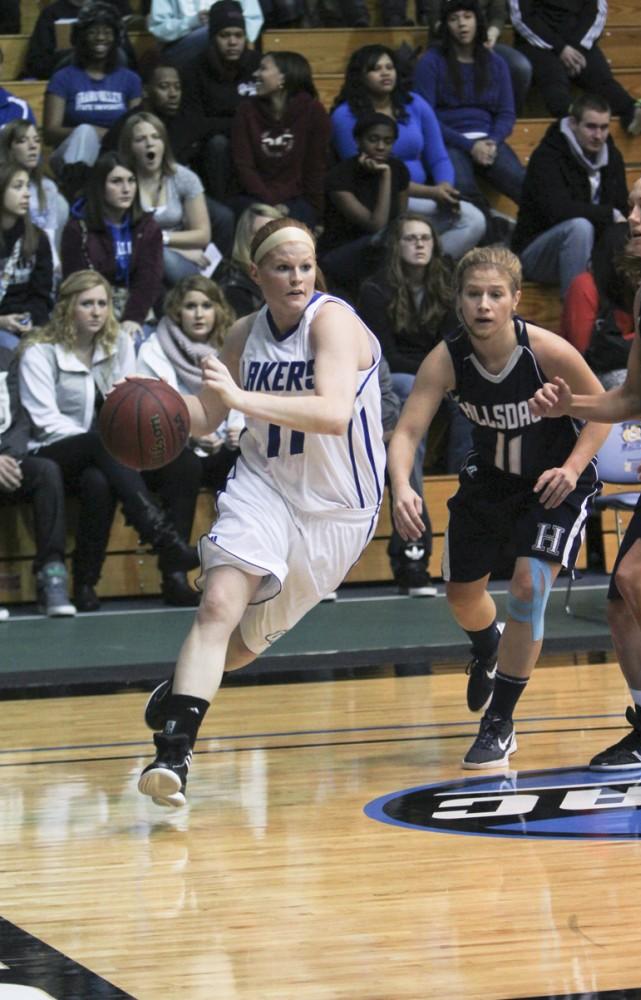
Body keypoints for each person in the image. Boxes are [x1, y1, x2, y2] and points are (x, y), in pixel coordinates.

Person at [137, 217, 386, 806]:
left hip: (338, 509)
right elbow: (205, 415)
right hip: (264, 485)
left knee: (242, 648)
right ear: (256, 273)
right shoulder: (245, 334)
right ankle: (173, 754)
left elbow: (332, 413)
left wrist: (241, 400)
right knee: (219, 602)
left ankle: (179, 690)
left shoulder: (334, 322)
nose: (297, 277)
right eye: (282, 267)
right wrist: (154, 406)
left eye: (305, 265)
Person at [388, 245, 607, 768]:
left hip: (555, 483)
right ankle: (488, 644)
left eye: (494, 294)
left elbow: (603, 410)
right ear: (458, 301)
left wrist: (573, 468)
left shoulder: (546, 350)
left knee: (529, 588)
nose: (483, 305)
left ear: (514, 300)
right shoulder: (446, 358)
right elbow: (408, 430)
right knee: (463, 597)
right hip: (488, 483)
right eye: (473, 294)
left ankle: (500, 723)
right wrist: (400, 486)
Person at [528, 163, 641, 782]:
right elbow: (635, 398)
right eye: (631, 207)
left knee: (640, 577)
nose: (630, 218)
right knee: (620, 602)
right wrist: (572, 406)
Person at [18, 270, 200, 612]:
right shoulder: (39, 351)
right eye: (87, 303)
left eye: (102, 303)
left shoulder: (118, 345)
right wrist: (111, 442)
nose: (97, 311)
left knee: (182, 462)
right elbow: (45, 422)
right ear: (67, 307)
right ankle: (164, 540)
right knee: (100, 445)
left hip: (108, 460)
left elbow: (128, 406)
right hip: (52, 451)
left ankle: (166, 577)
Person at [358, 212, 471, 595]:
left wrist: (442, 375)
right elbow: (380, 355)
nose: (420, 244)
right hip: (396, 376)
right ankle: (413, 551)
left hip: (439, 371)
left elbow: (452, 345)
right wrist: (433, 375)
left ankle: (463, 478)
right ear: (397, 246)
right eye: (411, 238)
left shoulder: (446, 284)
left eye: (426, 237)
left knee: (469, 394)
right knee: (409, 394)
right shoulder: (375, 290)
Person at [136, 275, 240, 604]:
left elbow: (243, 397)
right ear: (177, 312)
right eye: (190, 306)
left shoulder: (232, 348)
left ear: (218, 311)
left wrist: (237, 430)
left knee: (247, 460)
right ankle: (175, 575)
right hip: (172, 449)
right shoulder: (154, 349)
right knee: (184, 465)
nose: (198, 314)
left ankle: (238, 570)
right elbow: (149, 408)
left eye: (206, 306)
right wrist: (191, 436)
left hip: (222, 442)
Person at [331, 44, 486, 260]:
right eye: (376, 69)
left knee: (473, 219)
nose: (385, 72)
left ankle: (429, 270)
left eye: (389, 67)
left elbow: (438, 156)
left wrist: (444, 187)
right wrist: (432, 193)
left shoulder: (414, 103)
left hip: (423, 197)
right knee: (469, 217)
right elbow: (364, 173)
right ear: (360, 77)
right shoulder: (344, 115)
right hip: (379, 198)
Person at [414, 0, 525, 234]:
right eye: (454, 19)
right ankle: (493, 233)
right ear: (445, 26)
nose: (462, 24)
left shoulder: (495, 62)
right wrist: (468, 145)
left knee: (524, 184)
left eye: (467, 16)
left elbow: (506, 112)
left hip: (488, 139)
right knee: (464, 190)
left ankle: (530, 236)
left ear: (478, 21)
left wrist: (492, 141)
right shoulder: (431, 62)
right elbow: (427, 117)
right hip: (448, 140)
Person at [512, 93, 629, 299]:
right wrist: (608, 214)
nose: (598, 135)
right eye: (591, 127)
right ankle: (577, 315)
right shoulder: (547, 156)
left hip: (592, 251)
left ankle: (623, 317)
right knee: (579, 227)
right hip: (536, 252)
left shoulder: (612, 155)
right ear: (573, 124)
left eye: (604, 127)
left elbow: (622, 208)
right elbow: (557, 211)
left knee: (628, 230)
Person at [0, 344, 76, 617]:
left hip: (6, 459)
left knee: (45, 470)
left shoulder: (6, 357)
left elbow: (19, 420)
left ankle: (51, 573)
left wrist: (9, 457)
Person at [509, 0, 641, 136]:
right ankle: (572, 120)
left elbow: (596, 12)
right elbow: (522, 17)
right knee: (554, 79)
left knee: (602, 79)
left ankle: (634, 112)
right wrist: (560, 48)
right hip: (538, 43)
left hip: (578, 42)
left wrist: (576, 47)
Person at [61, 151, 164, 345]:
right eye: (116, 181)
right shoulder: (77, 228)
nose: (126, 189)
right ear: (100, 187)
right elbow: (77, 282)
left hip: (135, 308)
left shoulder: (147, 227)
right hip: (90, 309)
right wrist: (103, 318)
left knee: (138, 345)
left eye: (131, 180)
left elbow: (149, 279)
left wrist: (133, 318)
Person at [43, 1, 142, 188]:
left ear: (116, 38)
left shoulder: (131, 79)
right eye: (93, 32)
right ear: (81, 37)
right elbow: (49, 133)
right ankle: (77, 194)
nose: (100, 38)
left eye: (107, 32)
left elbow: (136, 127)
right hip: (70, 155)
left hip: (115, 153)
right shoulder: (63, 78)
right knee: (85, 133)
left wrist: (108, 136)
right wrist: (91, 132)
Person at [119, 111, 221, 286]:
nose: (149, 143)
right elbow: (123, 236)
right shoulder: (122, 181)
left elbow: (203, 235)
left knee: (163, 258)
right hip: (135, 258)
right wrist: (171, 247)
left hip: (180, 262)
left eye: (155, 137)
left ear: (164, 143)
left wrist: (162, 240)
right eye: (140, 139)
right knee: (158, 257)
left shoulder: (184, 177)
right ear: (129, 147)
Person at [230, 51, 331, 229]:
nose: (255, 74)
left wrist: (317, 214)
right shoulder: (246, 111)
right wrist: (270, 203)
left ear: (283, 77)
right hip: (254, 196)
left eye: (263, 69)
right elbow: (243, 166)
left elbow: (315, 168)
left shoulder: (314, 111)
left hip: (296, 198)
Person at [319, 112, 410, 298]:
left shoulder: (399, 169)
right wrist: (385, 176)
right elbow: (376, 225)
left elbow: (400, 218)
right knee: (382, 240)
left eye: (388, 141)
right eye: (373, 140)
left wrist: (390, 173)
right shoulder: (340, 176)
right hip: (340, 254)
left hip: (380, 250)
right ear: (358, 141)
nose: (380, 147)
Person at [180, 0, 260, 203]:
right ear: (212, 37)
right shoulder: (193, 69)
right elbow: (194, 123)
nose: (232, 42)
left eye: (238, 35)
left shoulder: (259, 65)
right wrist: (240, 124)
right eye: (225, 35)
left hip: (256, 139)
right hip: (213, 148)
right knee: (218, 144)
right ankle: (223, 205)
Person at [560, 222, 635, 389]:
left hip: (631, 365)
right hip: (587, 374)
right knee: (628, 383)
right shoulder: (585, 285)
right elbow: (584, 353)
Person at [0, 121, 69, 286]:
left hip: (37, 260)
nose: (33, 146)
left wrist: (56, 266)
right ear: (8, 148)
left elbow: (50, 236)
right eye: (23, 140)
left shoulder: (47, 187)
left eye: (37, 140)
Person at [0, 163, 53, 352]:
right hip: (1, 323)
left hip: (28, 321)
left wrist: (31, 321)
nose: (27, 193)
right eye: (17, 186)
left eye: (27, 186)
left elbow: (42, 294)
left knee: (46, 350)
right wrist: (2, 321)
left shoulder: (38, 238)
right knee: (13, 349)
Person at [23, 0, 132, 81]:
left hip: (110, 78)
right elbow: (36, 62)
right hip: (69, 76)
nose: (100, 37)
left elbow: (129, 58)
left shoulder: (109, 12)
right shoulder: (51, 14)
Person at [216, 202, 286, 317]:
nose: (268, 238)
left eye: (274, 232)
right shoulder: (235, 287)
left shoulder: (290, 273)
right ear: (245, 236)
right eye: (260, 232)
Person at [147, 0, 263, 69]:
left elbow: (253, 19)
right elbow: (158, 28)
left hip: (228, 43)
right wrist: (192, 22)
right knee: (214, 33)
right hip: (180, 47)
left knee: (222, 33)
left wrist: (232, 29)